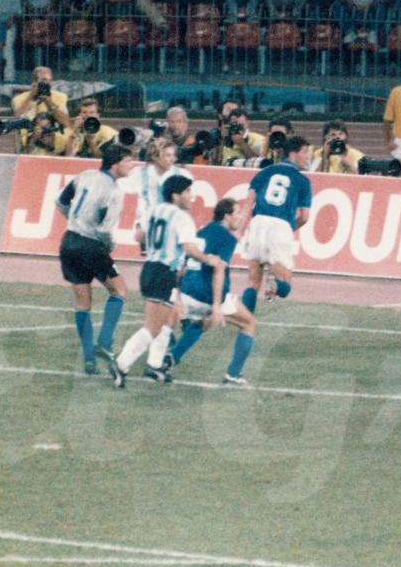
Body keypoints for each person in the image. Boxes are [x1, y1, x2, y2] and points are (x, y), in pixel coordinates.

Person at [109, 175, 220, 388]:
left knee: (171, 317)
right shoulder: (181, 217)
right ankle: (121, 364)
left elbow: (139, 236)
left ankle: (154, 364)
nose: (191, 197)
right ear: (175, 195)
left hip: (153, 268)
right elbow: (189, 248)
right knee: (152, 327)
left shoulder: (153, 210)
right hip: (164, 271)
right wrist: (209, 260)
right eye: (187, 192)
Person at [54, 143, 135, 375]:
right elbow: (104, 229)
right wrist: (110, 245)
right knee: (119, 290)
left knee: (82, 303)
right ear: (116, 163)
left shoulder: (85, 175)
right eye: (128, 161)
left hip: (68, 242)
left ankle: (89, 361)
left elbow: (60, 202)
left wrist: (76, 221)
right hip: (91, 246)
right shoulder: (114, 192)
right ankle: (105, 341)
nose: (132, 165)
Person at [162, 198, 258, 385]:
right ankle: (233, 374)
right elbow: (219, 269)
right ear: (226, 216)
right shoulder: (227, 238)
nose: (241, 218)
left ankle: (171, 358)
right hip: (206, 294)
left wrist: (179, 293)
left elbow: (183, 263)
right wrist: (216, 305)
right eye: (237, 213)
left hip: (188, 289)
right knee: (249, 323)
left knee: (201, 322)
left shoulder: (202, 231)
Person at [238, 136, 313, 312]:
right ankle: (277, 283)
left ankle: (245, 326)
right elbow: (304, 217)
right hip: (281, 226)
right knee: (285, 285)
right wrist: (289, 228)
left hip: (257, 222)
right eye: (305, 152)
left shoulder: (265, 171)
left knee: (252, 280)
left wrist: (240, 228)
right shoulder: (303, 181)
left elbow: (249, 202)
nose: (307, 157)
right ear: (293, 154)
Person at [135, 137, 194, 237]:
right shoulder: (139, 174)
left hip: (171, 228)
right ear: (155, 156)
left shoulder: (182, 175)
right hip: (145, 227)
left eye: (173, 155)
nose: (173, 159)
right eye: (168, 155)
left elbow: (187, 205)